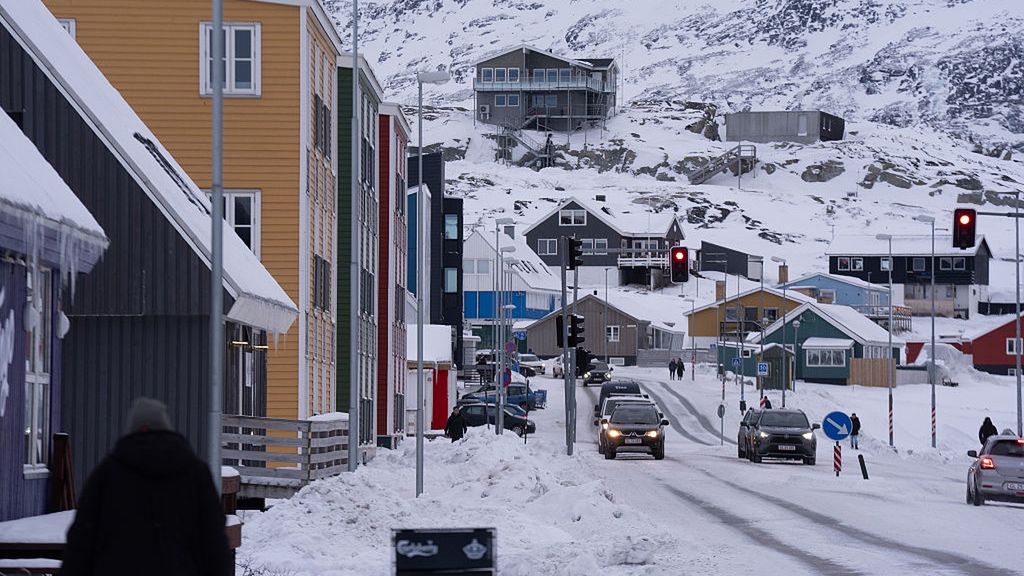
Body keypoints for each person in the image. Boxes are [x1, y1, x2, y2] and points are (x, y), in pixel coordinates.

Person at [62, 398, 230, 576]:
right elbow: (214, 540)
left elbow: (81, 540)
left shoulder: (107, 474)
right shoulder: (196, 474)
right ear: (166, 427)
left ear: (132, 429)